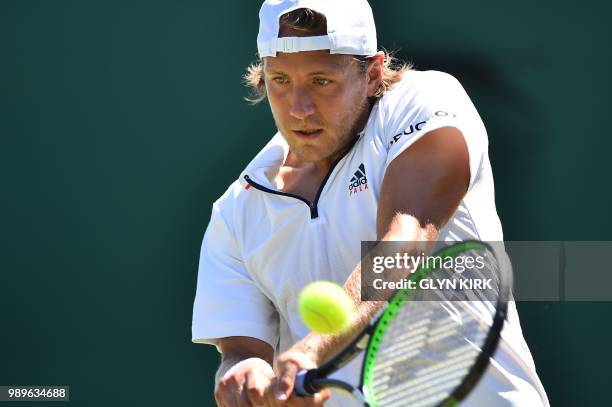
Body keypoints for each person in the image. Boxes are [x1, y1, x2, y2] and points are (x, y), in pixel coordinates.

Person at [192, 0, 549, 405]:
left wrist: (311, 350)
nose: (299, 107)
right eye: (280, 81)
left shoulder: (425, 101)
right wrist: (246, 375)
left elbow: (406, 242)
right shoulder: (237, 210)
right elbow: (240, 350)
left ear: (373, 73)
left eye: (321, 81)